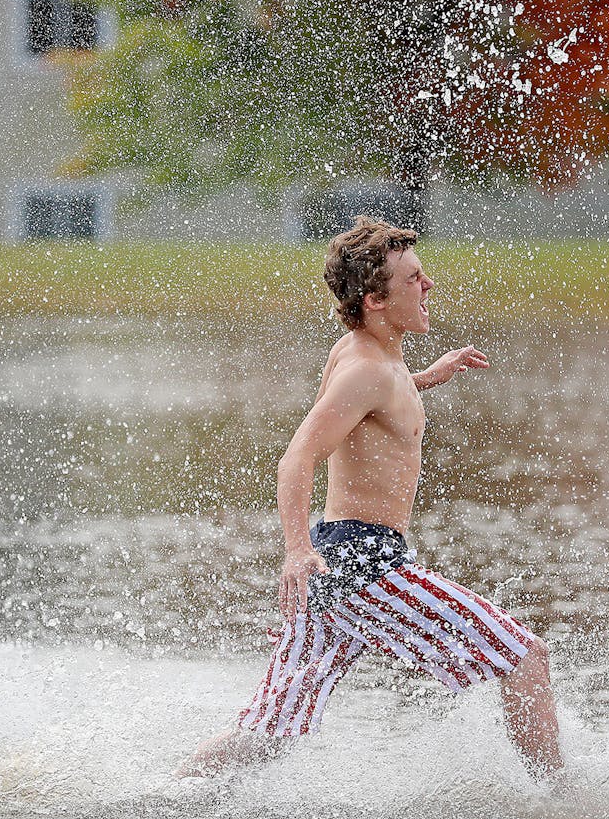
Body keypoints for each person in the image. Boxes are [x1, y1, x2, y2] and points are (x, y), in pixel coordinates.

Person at [182, 216, 563, 778]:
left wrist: (428, 376)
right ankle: (563, 805)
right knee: (525, 659)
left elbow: (379, 398)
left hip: (337, 559)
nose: (427, 285)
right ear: (375, 300)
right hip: (364, 564)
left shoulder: (369, 355)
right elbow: (298, 457)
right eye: (412, 279)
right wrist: (293, 552)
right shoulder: (365, 370)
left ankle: (172, 792)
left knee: (270, 728)